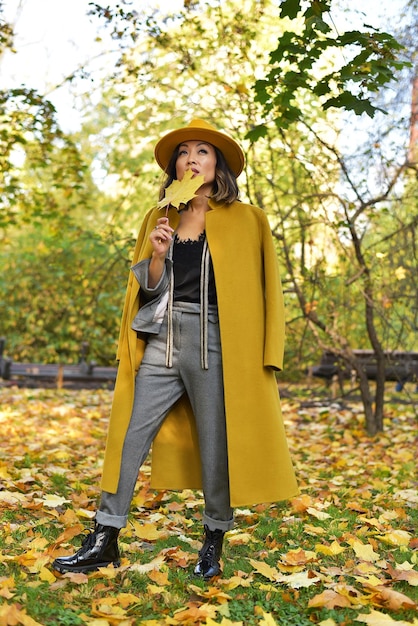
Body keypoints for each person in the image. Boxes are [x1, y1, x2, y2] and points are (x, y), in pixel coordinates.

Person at [52, 118, 299, 580]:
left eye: (203, 151)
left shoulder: (249, 220)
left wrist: (270, 352)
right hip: (163, 339)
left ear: (217, 164)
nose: (192, 158)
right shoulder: (157, 216)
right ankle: (105, 537)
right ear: (175, 166)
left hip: (218, 344)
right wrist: (158, 255)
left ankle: (213, 541)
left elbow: (269, 289)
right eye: (184, 152)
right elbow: (147, 291)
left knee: (216, 447)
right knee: (129, 437)